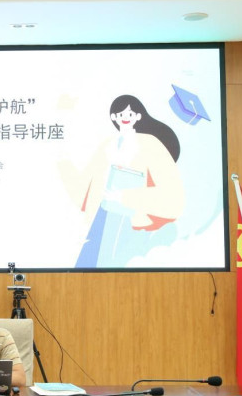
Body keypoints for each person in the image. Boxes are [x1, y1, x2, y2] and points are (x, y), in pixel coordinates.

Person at [76, 94, 184, 267]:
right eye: (120, 114)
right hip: (102, 213)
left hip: (132, 216)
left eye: (130, 113)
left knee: (119, 261)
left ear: (138, 116)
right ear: (114, 117)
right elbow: (88, 181)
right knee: (91, 262)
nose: (125, 117)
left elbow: (170, 192)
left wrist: (123, 196)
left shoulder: (150, 143)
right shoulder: (108, 144)